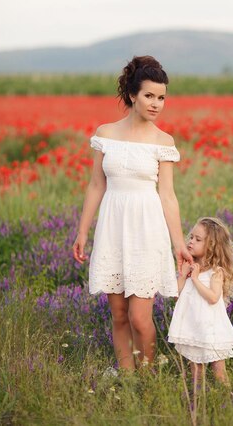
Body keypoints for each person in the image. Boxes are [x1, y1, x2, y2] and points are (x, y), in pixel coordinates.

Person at [72, 55, 193, 370]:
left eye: (162, 97)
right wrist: (82, 232)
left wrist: (179, 244)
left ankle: (147, 377)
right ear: (132, 96)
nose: (156, 104)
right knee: (120, 315)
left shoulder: (163, 141)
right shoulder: (106, 134)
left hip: (146, 230)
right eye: (149, 96)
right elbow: (96, 185)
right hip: (113, 228)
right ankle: (127, 379)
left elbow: (167, 195)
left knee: (141, 318)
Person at [168, 217, 233, 388]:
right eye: (191, 237)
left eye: (197, 239)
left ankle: (227, 401)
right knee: (196, 372)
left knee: (219, 371)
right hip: (193, 328)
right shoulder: (190, 266)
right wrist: (183, 276)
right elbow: (176, 295)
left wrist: (196, 279)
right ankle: (197, 402)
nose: (191, 241)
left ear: (212, 246)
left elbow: (214, 297)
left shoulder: (216, 271)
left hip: (212, 329)